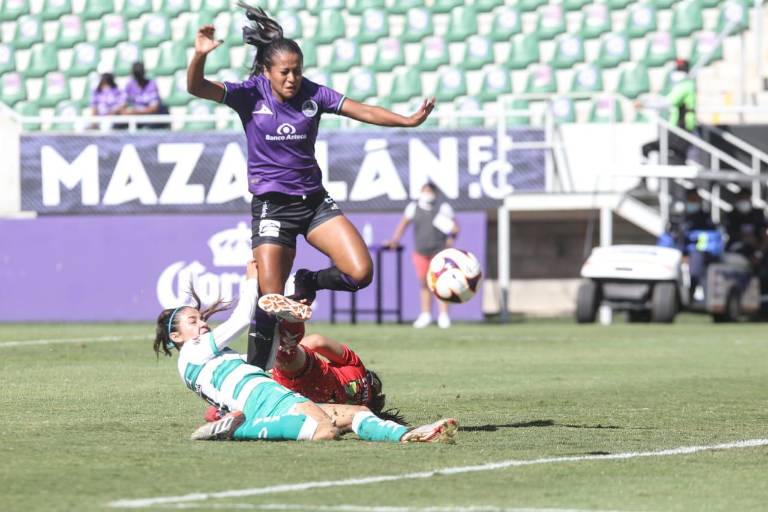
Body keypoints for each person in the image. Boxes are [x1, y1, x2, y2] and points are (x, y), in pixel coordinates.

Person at [186, 3, 436, 370]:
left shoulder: (313, 94)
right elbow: (196, 87)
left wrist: (408, 121)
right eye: (285, 72)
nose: (292, 78)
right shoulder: (250, 94)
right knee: (269, 300)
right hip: (273, 208)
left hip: (314, 203)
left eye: (297, 71)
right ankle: (253, 384)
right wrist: (199, 57)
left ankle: (308, 280)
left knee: (359, 273)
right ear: (267, 71)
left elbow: (361, 110)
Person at [153, 261, 457, 443]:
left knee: (360, 413)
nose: (203, 324)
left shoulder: (216, 357)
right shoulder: (191, 352)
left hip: (273, 392)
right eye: (194, 321)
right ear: (176, 336)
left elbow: (263, 363)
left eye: (201, 317)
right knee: (324, 431)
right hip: (259, 402)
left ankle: (408, 436)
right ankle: (239, 429)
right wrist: (250, 281)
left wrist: (279, 342)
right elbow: (241, 319)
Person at [385, 182, 459, 328]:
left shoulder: (443, 208)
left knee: (441, 283)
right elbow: (403, 224)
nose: (427, 193)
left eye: (430, 191)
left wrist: (450, 240)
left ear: (435, 193)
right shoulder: (413, 207)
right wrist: (395, 240)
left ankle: (443, 316)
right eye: (425, 190)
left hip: (439, 252)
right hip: (420, 251)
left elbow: (455, 228)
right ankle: (426, 314)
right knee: (424, 283)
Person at [639, 59, 697, 166]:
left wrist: (644, 104)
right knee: (677, 159)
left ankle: (643, 181)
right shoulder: (685, 85)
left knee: (648, 148)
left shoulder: (685, 86)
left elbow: (667, 102)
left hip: (682, 128)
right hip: (679, 129)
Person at [122, 62, 169, 128]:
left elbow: (153, 108)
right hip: (135, 119)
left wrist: (135, 112)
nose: (138, 77)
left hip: (150, 119)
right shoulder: (129, 85)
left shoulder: (151, 85)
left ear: (144, 72)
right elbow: (123, 104)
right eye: (136, 74)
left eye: (139, 73)